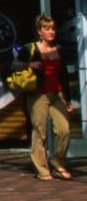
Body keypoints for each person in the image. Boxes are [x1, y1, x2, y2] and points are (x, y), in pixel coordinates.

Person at [21, 13, 74, 180]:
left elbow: (64, 75)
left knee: (64, 129)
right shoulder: (31, 48)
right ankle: (42, 170)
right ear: (39, 31)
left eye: (53, 28)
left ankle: (58, 163)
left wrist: (68, 98)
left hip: (56, 93)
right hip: (38, 95)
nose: (51, 32)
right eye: (47, 28)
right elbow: (14, 65)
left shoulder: (59, 49)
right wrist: (30, 64)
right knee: (40, 132)